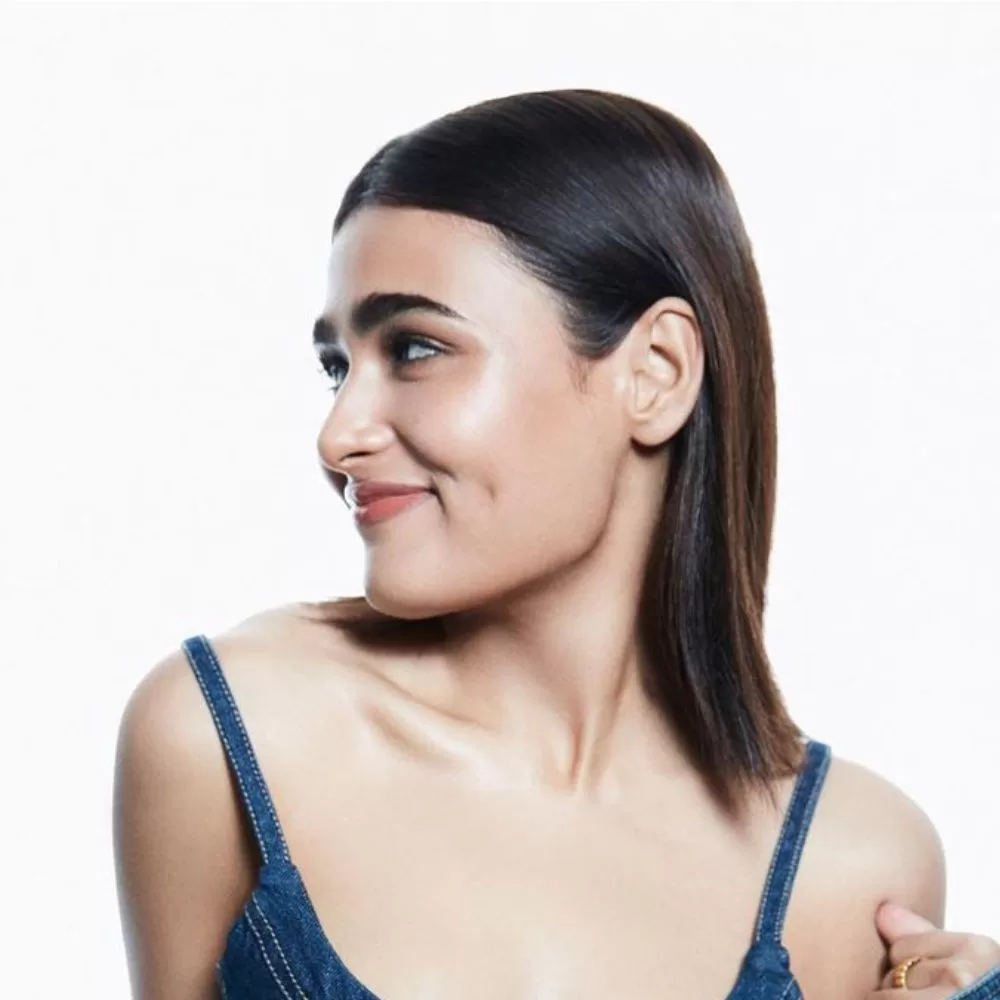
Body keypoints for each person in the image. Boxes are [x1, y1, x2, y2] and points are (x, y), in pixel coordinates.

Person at [112, 88, 1000, 1000]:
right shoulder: (231, 738)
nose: (338, 437)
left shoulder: (849, 863)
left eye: (415, 349)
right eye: (337, 367)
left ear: (655, 374)